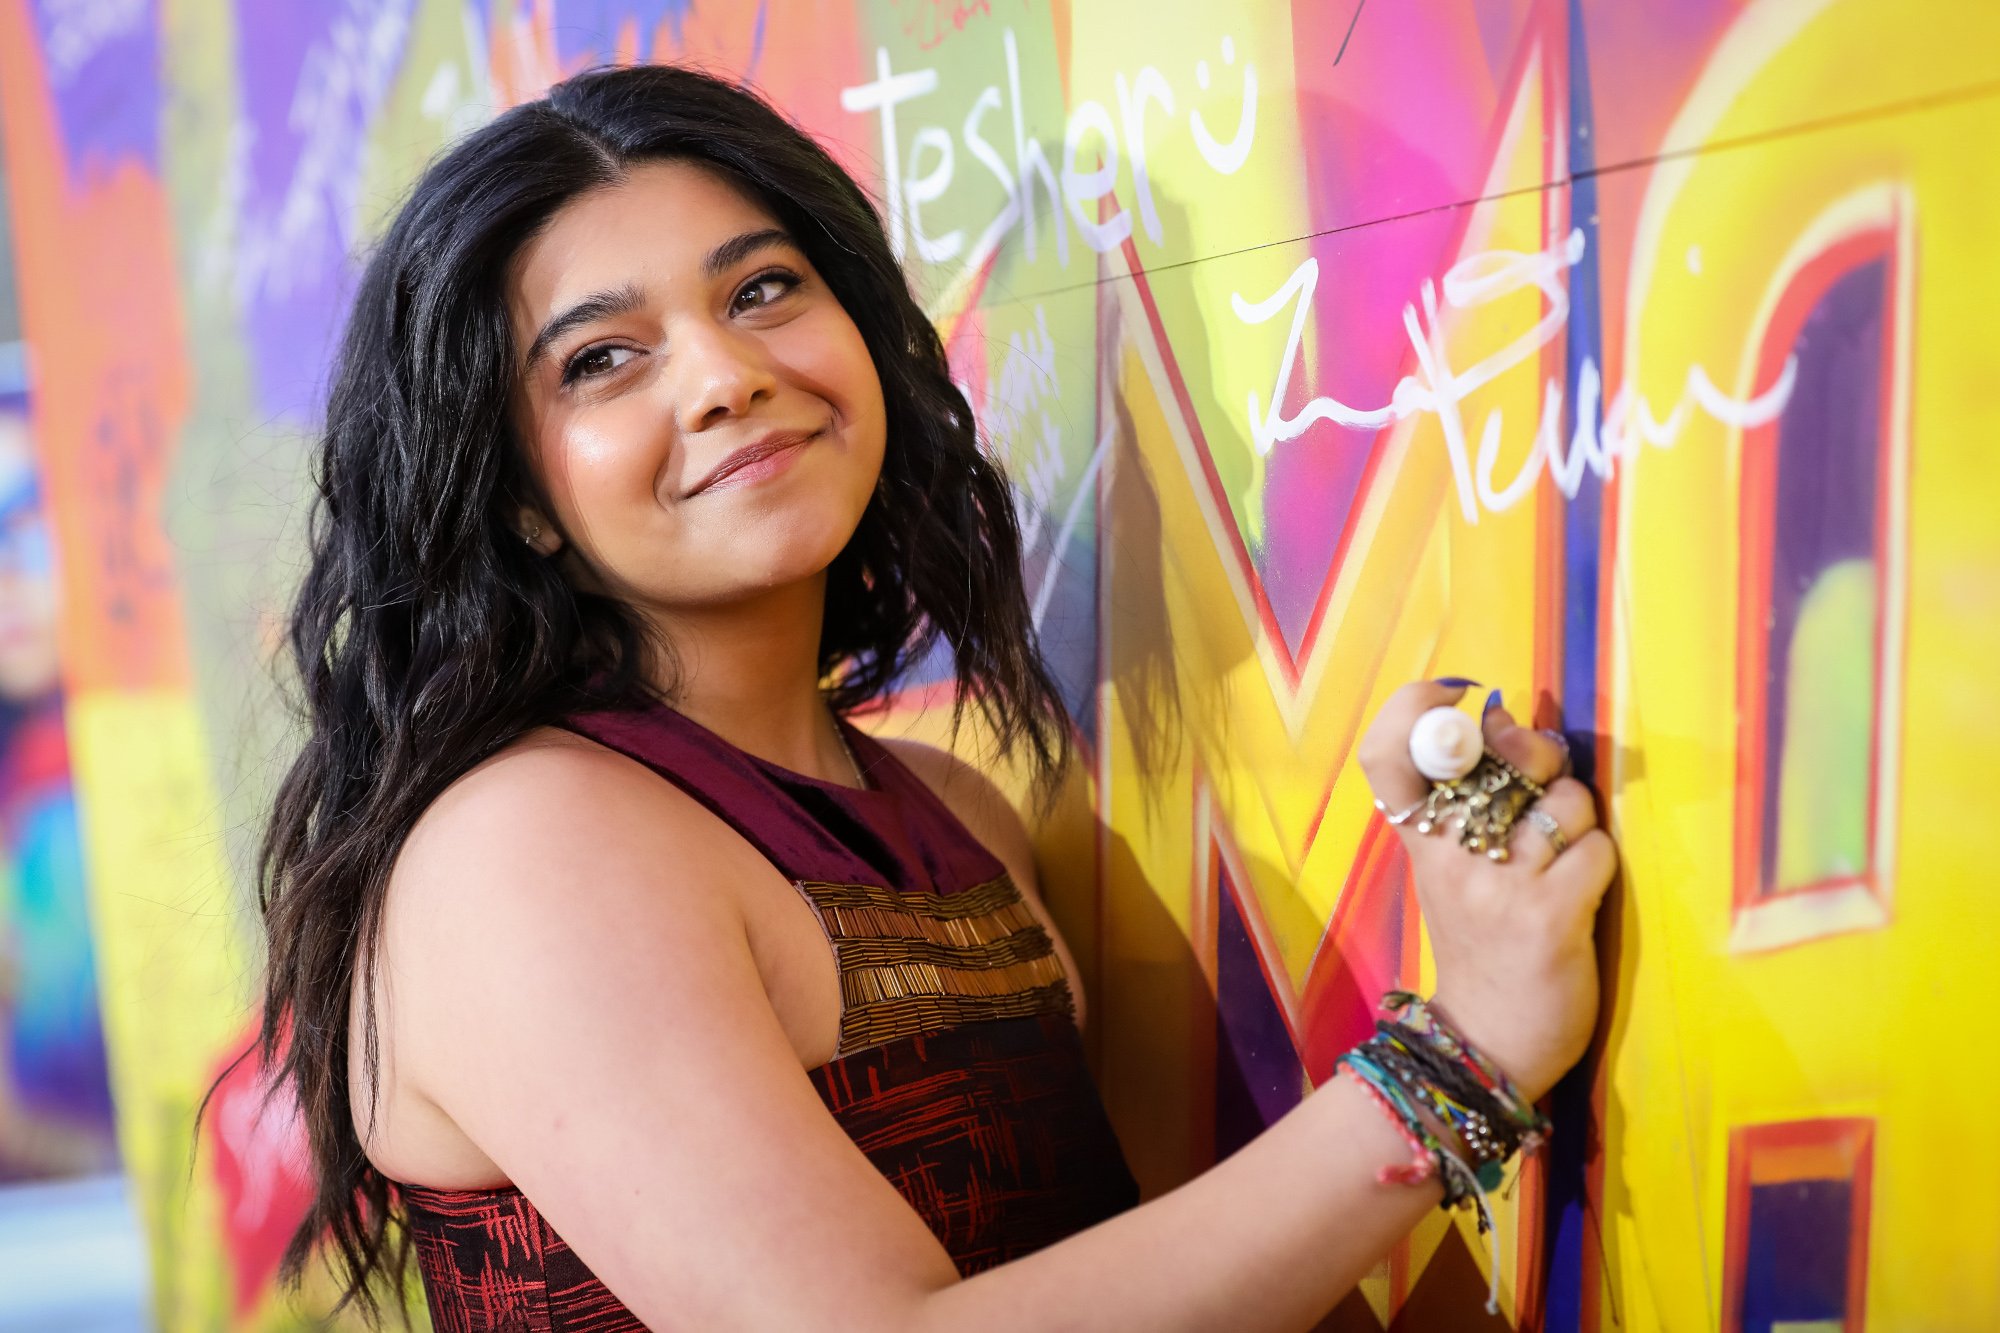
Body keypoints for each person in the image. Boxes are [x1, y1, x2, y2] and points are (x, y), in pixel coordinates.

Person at [242, 63, 1616, 1329]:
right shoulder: (526, 847)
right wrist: (1460, 1055)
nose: (727, 376)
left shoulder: (955, 810)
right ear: (519, 498)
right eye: (602, 358)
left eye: (763, 289)